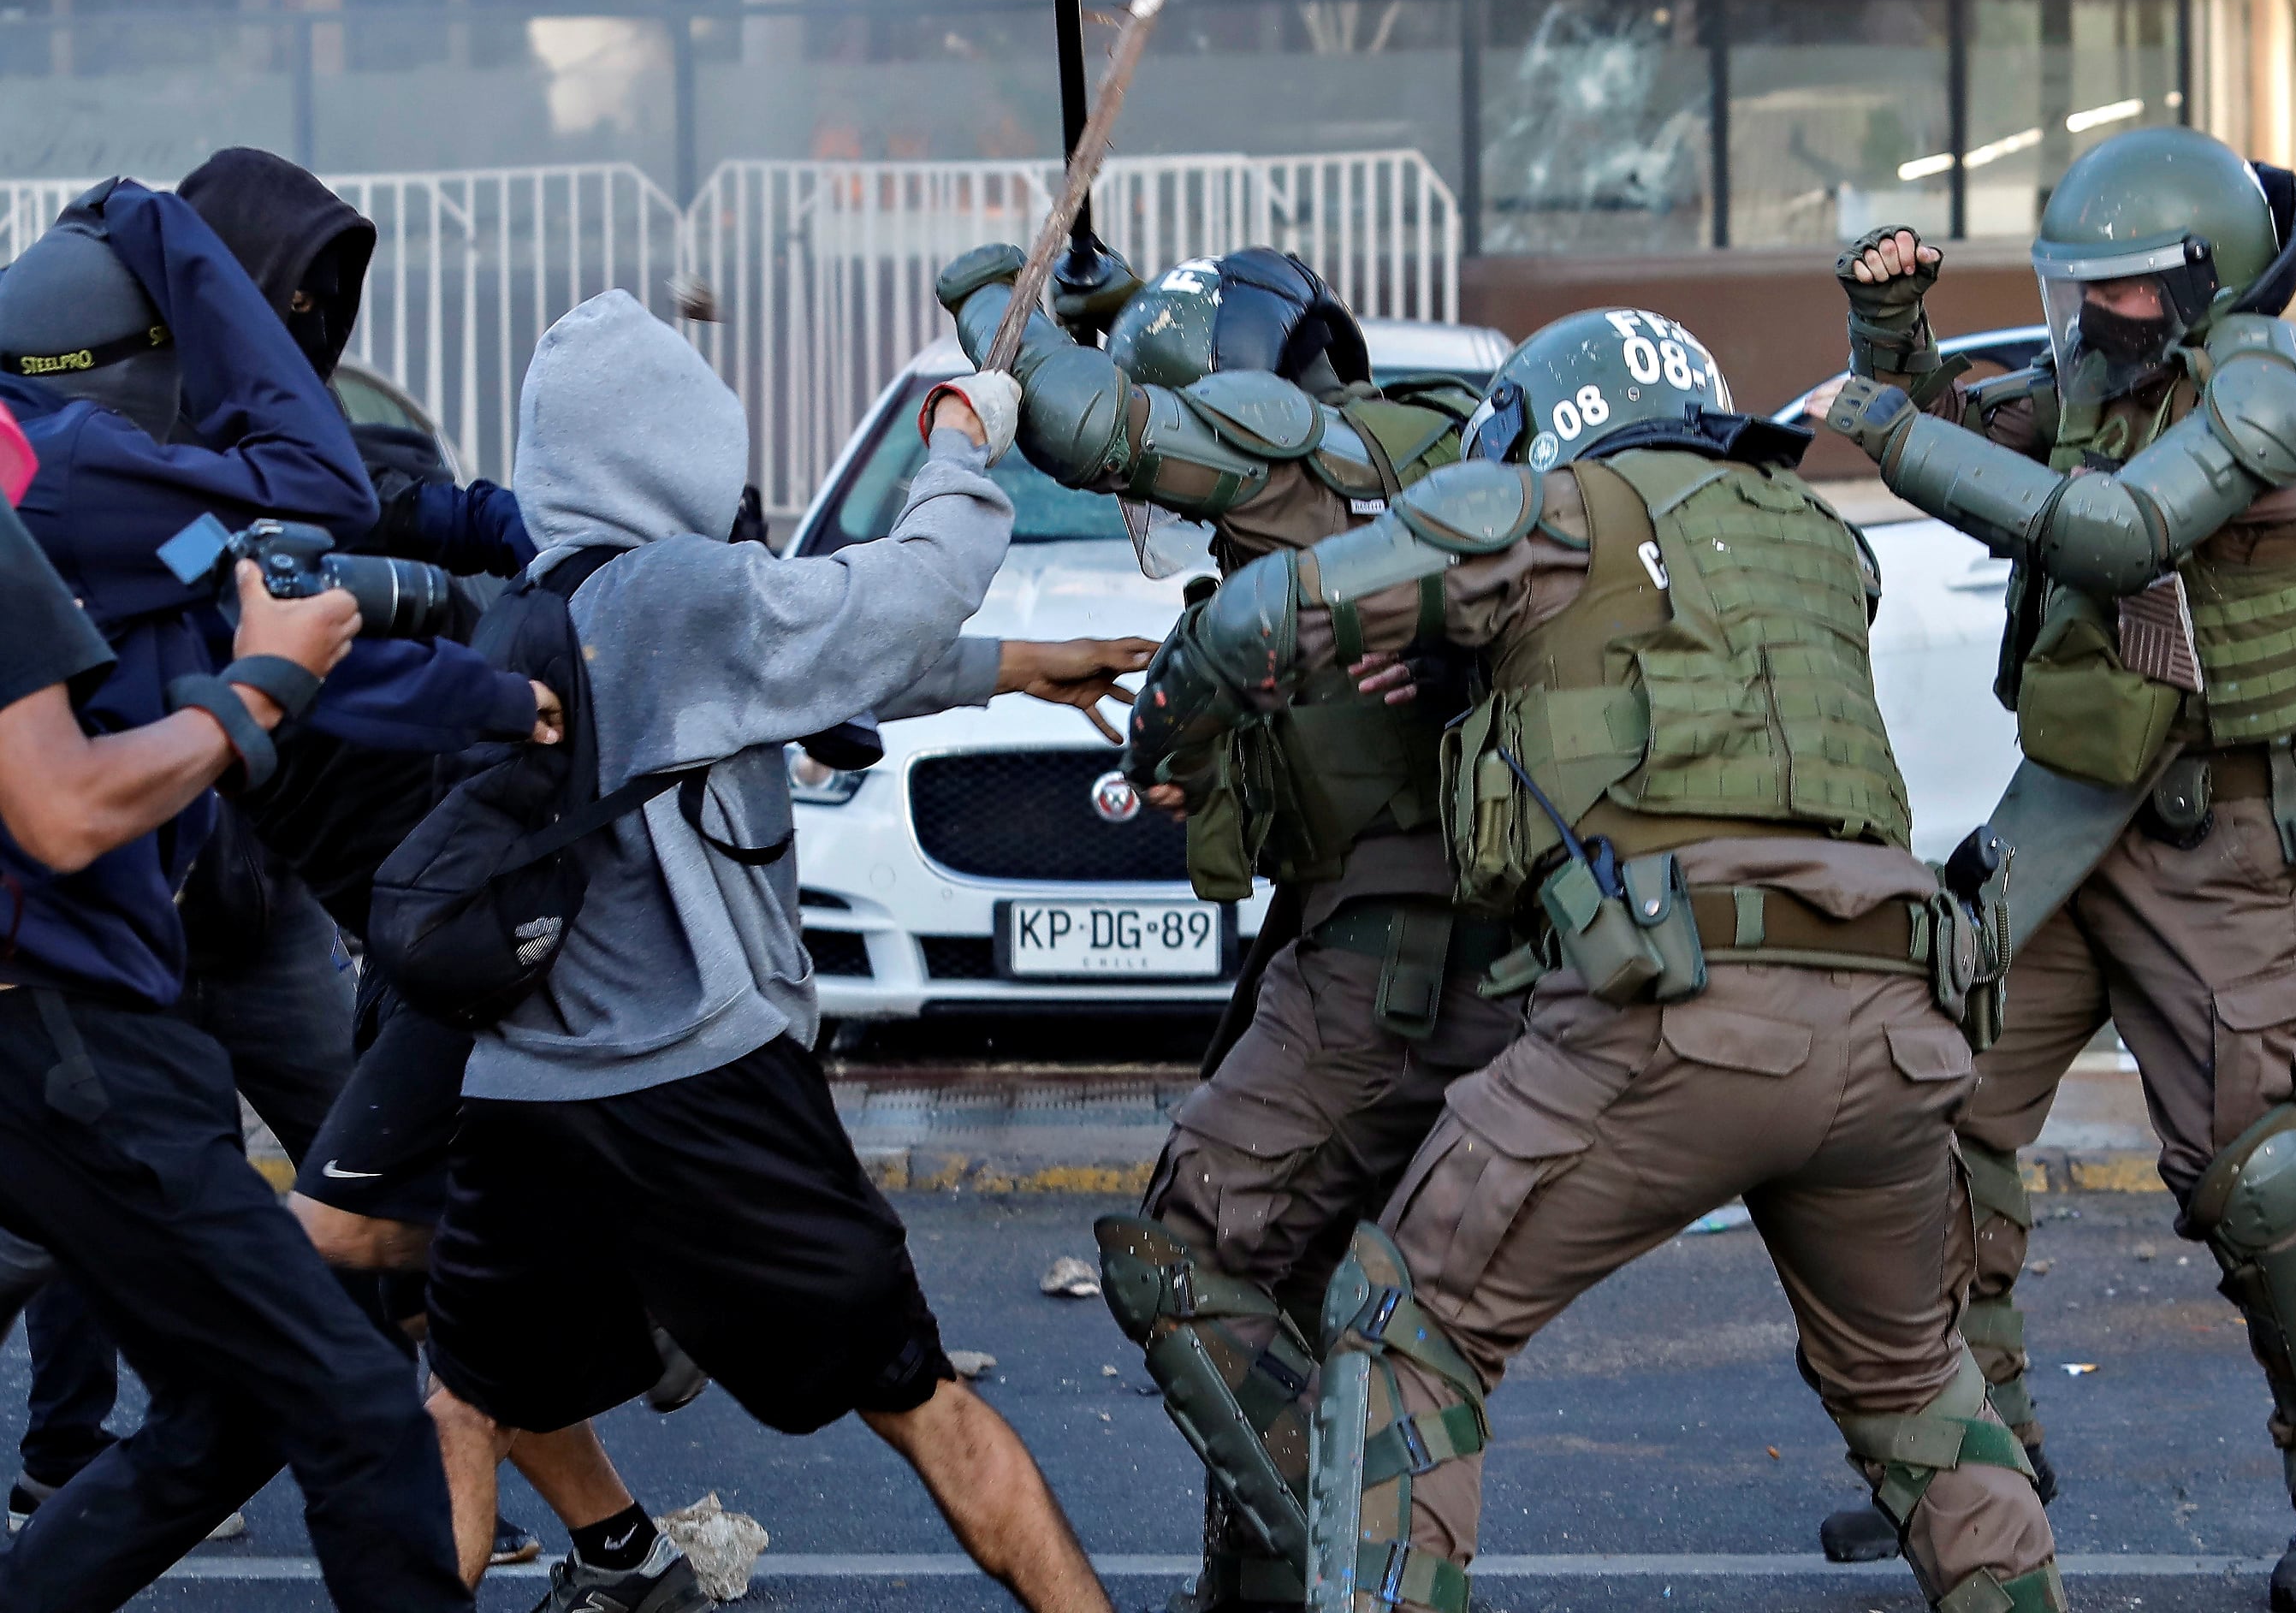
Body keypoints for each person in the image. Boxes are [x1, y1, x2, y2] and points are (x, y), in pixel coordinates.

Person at [1118, 308, 2063, 1613]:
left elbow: (1268, 616)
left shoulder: (1549, 509)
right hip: (1901, 1024)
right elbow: (1647, 681)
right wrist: (1463, 674)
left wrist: (1157, 741)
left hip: (1683, 1013)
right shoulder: (1815, 542)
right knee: (1916, 1393)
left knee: (1403, 1322)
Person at [418, 289, 1126, 1613]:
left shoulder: (523, 610)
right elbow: (901, 595)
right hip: (702, 1087)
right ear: (676, 448)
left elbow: (805, 656)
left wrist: (1017, 667)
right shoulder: (680, 593)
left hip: (520, 1095)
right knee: (920, 1403)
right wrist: (962, 442)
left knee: (464, 1404)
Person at [1819, 126, 2296, 1613]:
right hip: (2071, 806)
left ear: (2205, 284)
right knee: (1937, 1105)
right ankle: (1975, 1457)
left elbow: (2117, 528)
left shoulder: (2271, 388)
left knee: (2254, 1175)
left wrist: (1895, 444)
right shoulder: (2110, 371)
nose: (2098, 319)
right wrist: (1890, 334)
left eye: (2132, 292)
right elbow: (1969, 409)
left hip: (2223, 834)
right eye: (2085, 290)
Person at [935, 240, 1530, 1613]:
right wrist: (1118, 302)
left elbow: (1096, 433)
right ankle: (1270, 1590)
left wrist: (998, 303)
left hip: (1392, 960)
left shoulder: (1303, 476)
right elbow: (1201, 364)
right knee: (1299, 1286)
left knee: (1191, 1256)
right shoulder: (1412, 450)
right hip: (1422, 945)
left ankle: (1329, 1578)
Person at [0, 204, 472, 1609]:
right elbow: (67, 804)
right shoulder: (51, 474)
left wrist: (507, 696)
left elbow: (276, 620)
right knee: (355, 1402)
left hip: (90, 1034)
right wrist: (256, 694)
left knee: (245, 1403)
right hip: (66, 1035)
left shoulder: (76, 512)